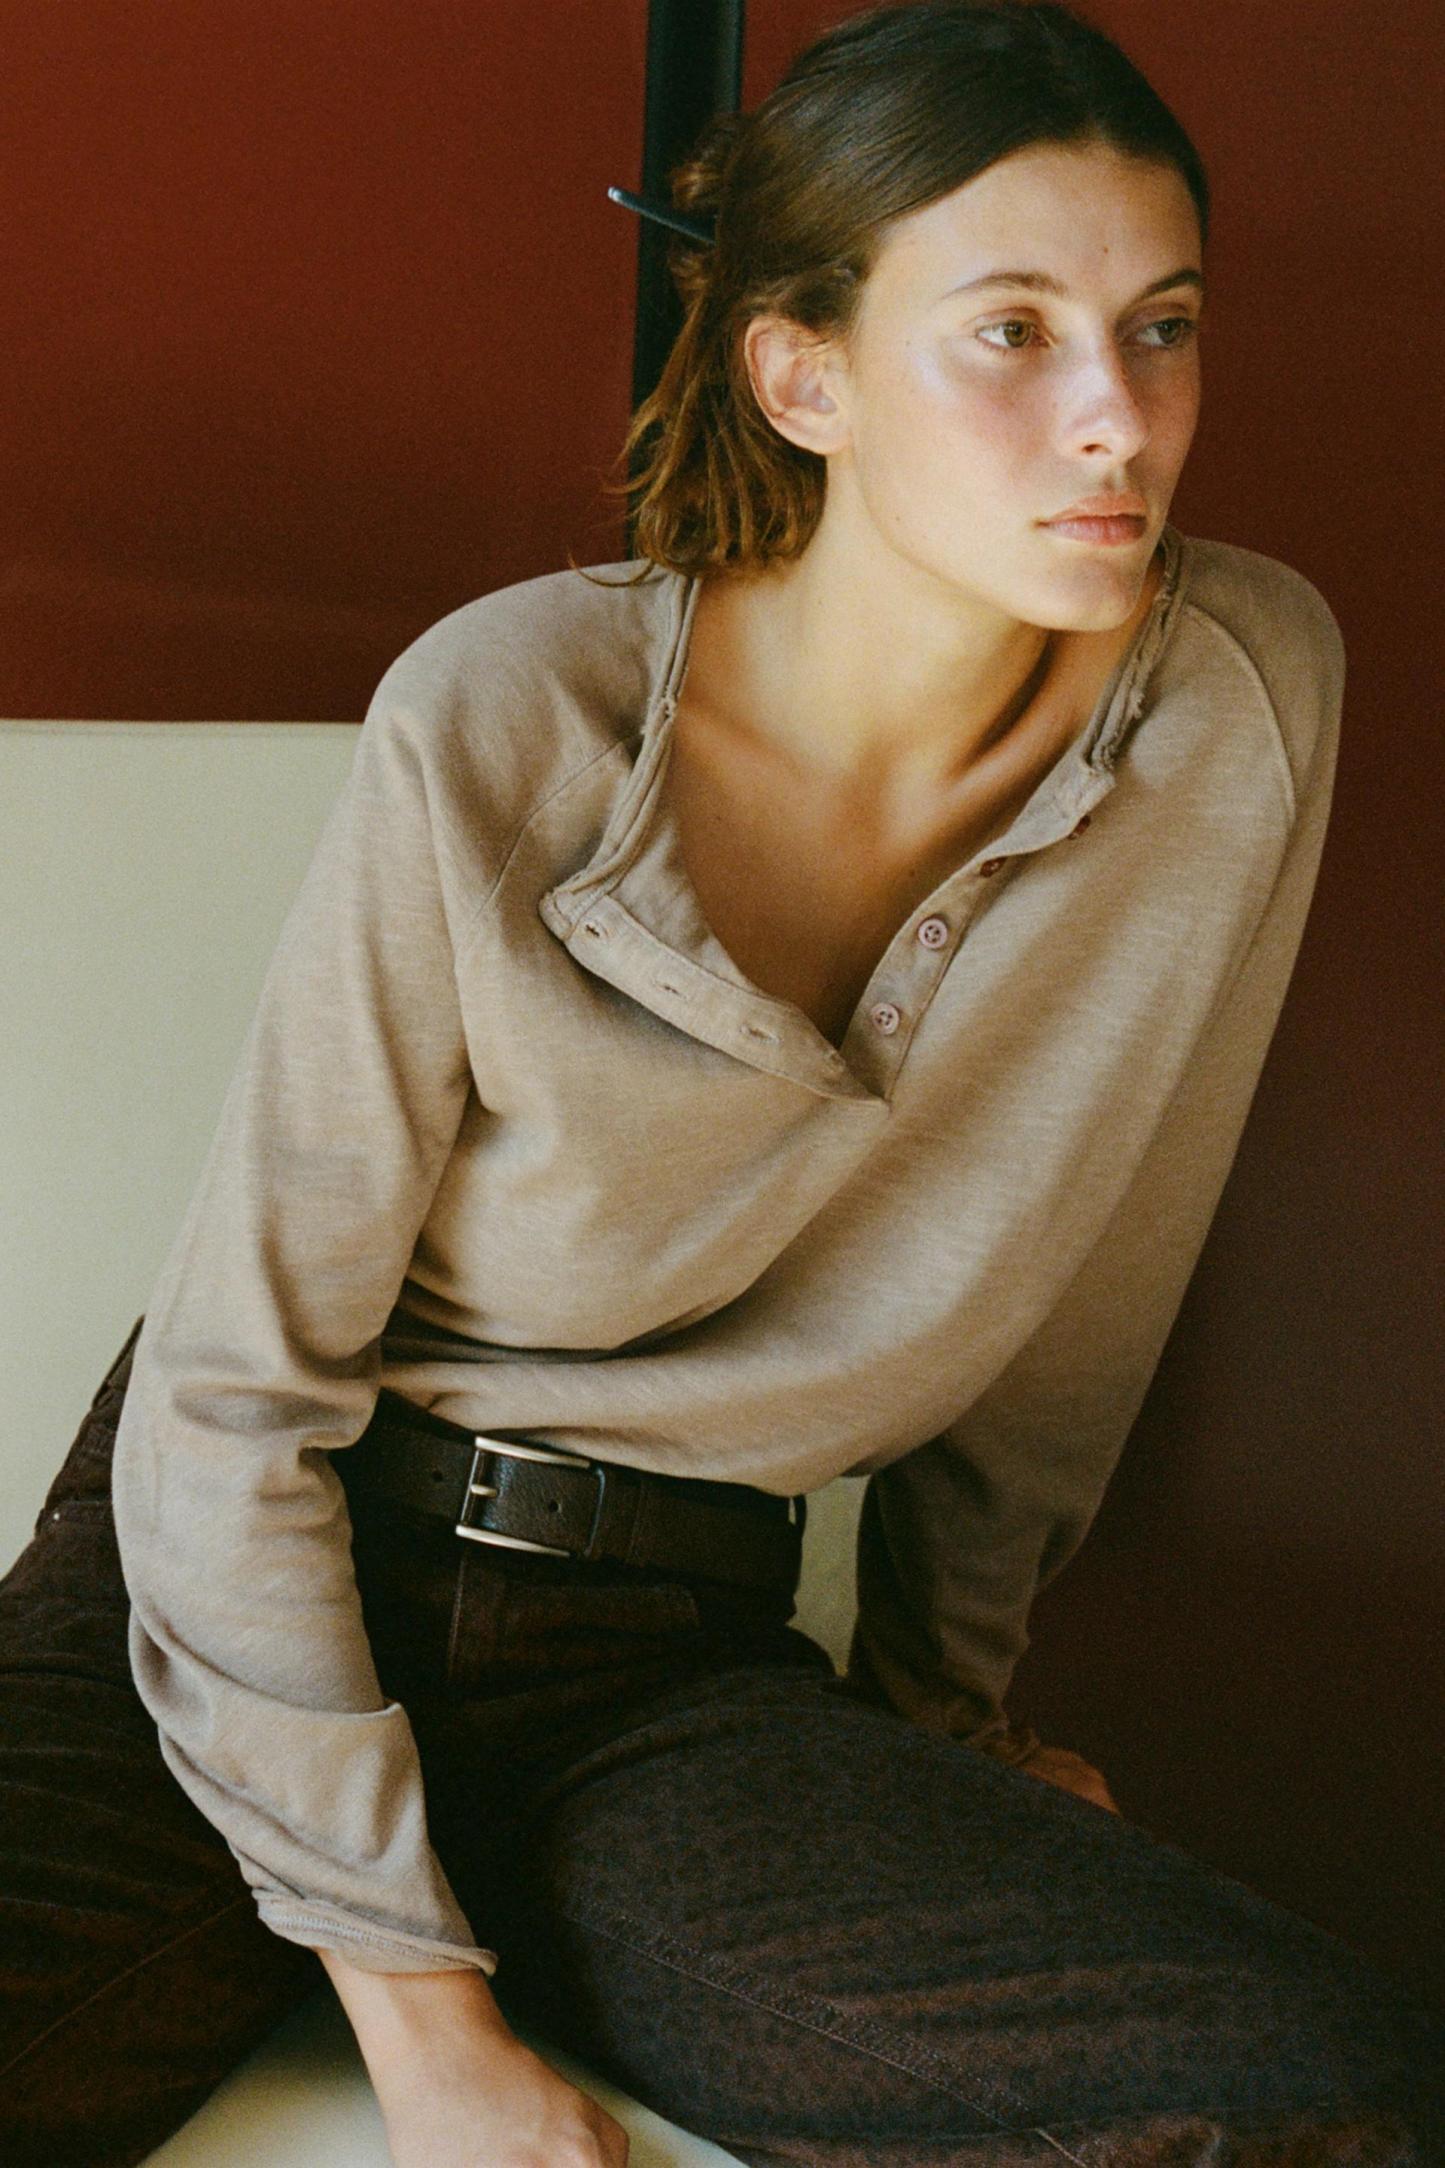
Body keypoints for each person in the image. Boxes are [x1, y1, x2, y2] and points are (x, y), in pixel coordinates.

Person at [2, 2, 1441, 2163]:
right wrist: (428, 2029)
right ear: (803, 377)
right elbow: (228, 1405)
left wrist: (942, 1728)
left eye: (1160, 328)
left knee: (1327, 2105)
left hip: (653, 1668)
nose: (1115, 418)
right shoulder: (515, 713)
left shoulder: (1239, 699)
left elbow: (1076, 1313)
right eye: (1013, 332)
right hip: (243, 1581)